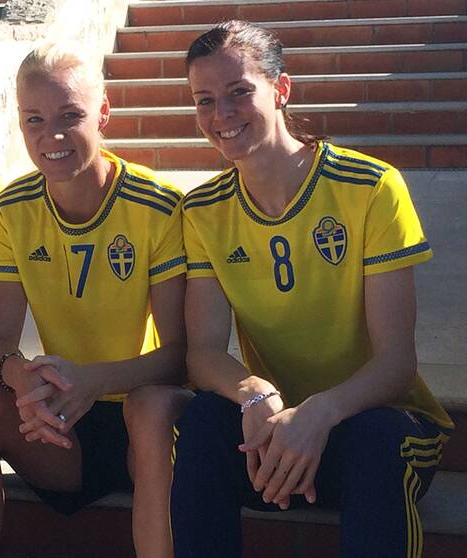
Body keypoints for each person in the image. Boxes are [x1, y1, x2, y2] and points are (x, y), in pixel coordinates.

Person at [171, 20, 454, 558]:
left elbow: (396, 364)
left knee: (377, 443)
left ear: (281, 89)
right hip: (275, 433)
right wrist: (256, 394)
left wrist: (319, 414)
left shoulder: (370, 187)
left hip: (375, 422)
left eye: (238, 92)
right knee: (203, 423)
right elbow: (203, 353)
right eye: (204, 100)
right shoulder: (202, 209)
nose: (221, 114)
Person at [0, 42, 190, 558]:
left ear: (103, 113)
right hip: (60, 426)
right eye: (34, 119)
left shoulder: (159, 206)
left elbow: (178, 357)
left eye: (70, 116)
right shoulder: (12, 208)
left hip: (136, 422)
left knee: (151, 410)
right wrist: (22, 378)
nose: (51, 136)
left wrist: (92, 381)